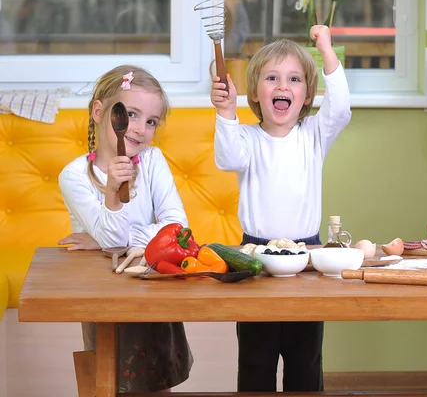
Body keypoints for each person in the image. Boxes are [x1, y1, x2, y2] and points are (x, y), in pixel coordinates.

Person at [210, 24, 352, 392]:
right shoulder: (245, 137)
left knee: (305, 359)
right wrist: (225, 111)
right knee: (256, 359)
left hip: (307, 258)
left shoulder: (314, 135)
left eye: (294, 79)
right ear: (255, 92)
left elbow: (340, 109)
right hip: (254, 258)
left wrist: (328, 51)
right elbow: (226, 158)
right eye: (271, 78)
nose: (283, 87)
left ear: (308, 95)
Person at [57, 64, 193, 393]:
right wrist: (111, 194)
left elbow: (178, 228)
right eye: (131, 114)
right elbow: (115, 239)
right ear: (100, 112)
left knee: (159, 380)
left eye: (151, 122)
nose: (140, 129)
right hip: (100, 291)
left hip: (151, 288)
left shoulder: (153, 161)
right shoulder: (74, 176)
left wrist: (102, 240)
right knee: (107, 380)